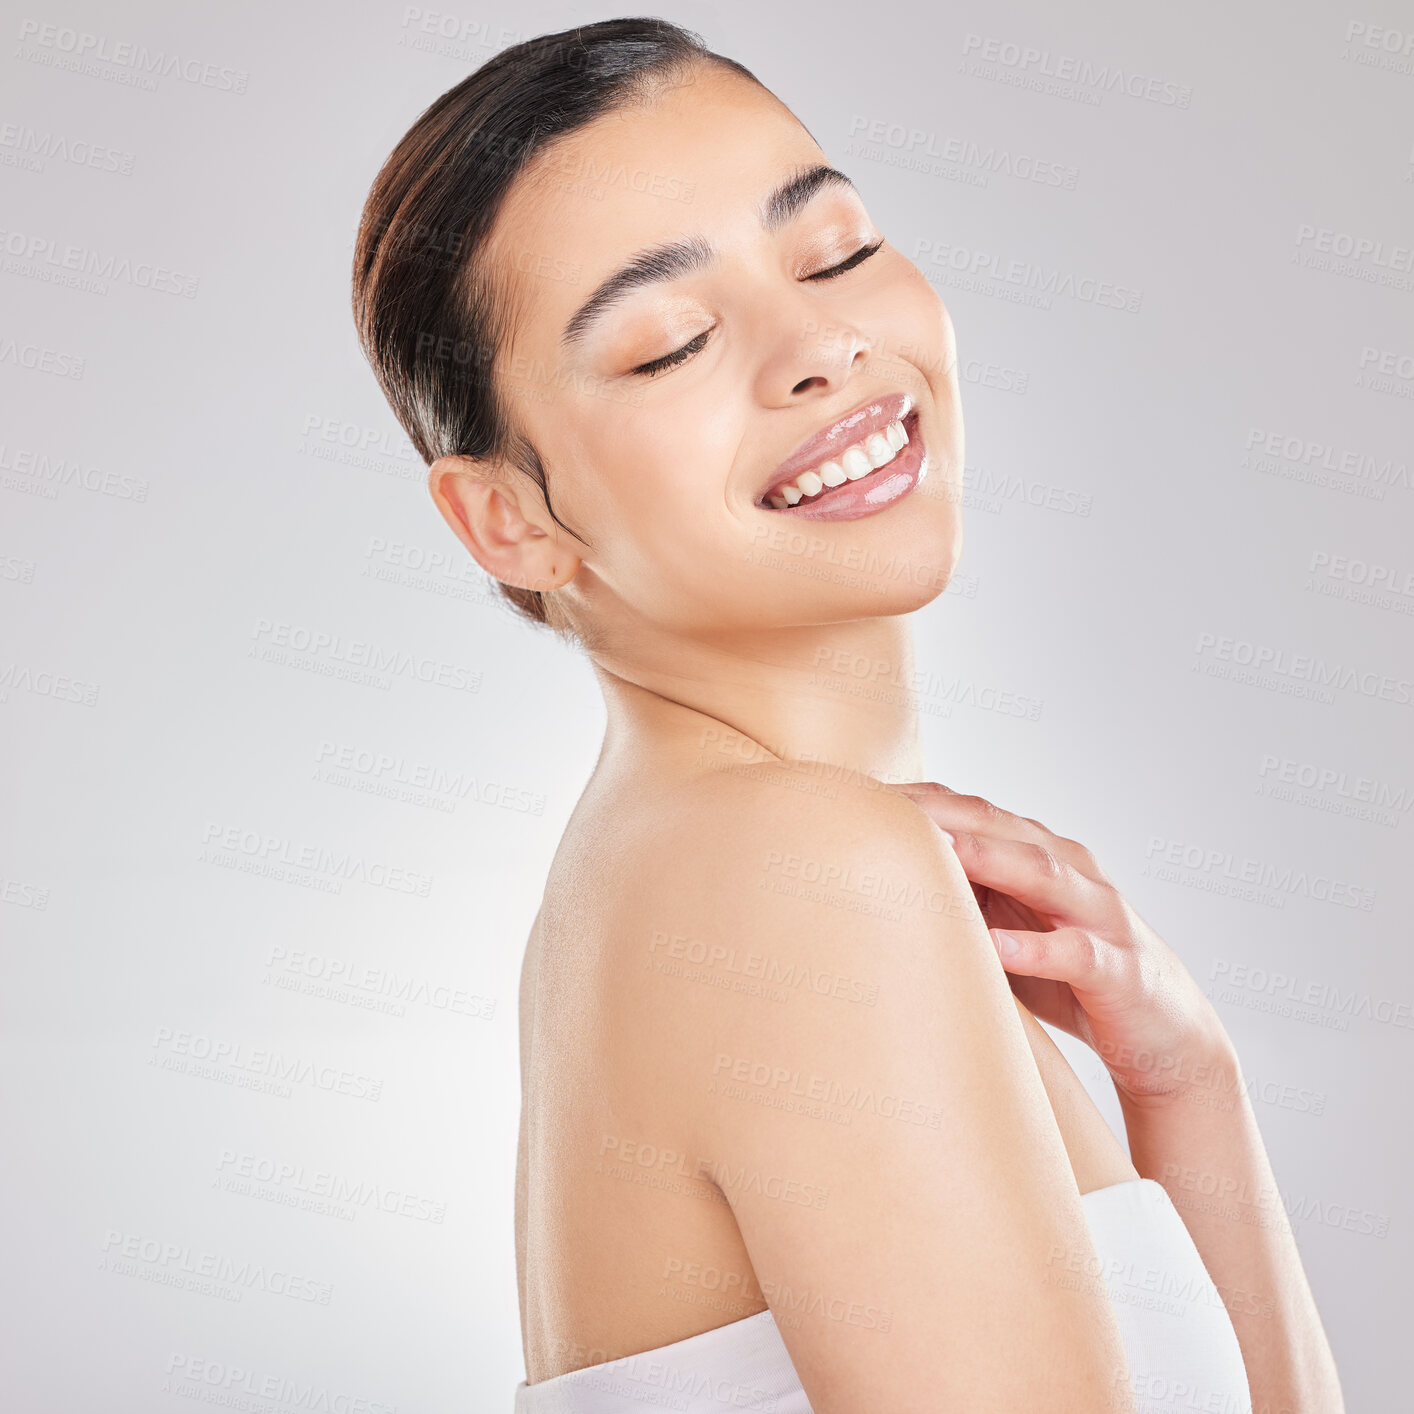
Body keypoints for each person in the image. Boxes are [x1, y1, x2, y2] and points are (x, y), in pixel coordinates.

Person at [351, 18, 1344, 1412]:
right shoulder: (785, 873)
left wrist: (1189, 1091)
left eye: (834, 250)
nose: (820, 343)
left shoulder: (693, 865)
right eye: (669, 342)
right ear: (507, 520)